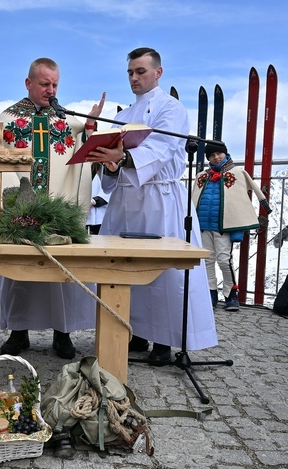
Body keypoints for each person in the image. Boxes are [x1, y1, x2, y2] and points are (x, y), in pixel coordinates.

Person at [85, 47, 217, 364]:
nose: (134, 77)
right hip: (126, 202)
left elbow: (160, 149)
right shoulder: (119, 116)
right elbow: (111, 162)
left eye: (140, 71)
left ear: (158, 72)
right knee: (127, 268)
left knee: (163, 273)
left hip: (161, 200)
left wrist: (124, 157)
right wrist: (110, 164)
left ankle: (165, 341)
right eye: (130, 72)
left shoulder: (171, 109)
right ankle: (136, 333)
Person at [0, 57, 105, 358]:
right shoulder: (9, 118)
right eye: (45, 84)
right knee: (18, 274)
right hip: (21, 214)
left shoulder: (66, 120)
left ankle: (63, 334)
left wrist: (92, 125)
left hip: (58, 214)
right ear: (28, 83)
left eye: (55, 84)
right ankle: (19, 333)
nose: (51, 90)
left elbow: (86, 143)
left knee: (63, 276)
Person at [192, 141, 271, 311]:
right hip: (204, 225)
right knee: (207, 260)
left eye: (218, 154)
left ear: (225, 154)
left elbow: (250, 191)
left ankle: (230, 293)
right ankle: (211, 293)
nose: (216, 157)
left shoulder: (236, 173)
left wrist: (264, 205)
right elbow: (194, 198)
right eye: (212, 156)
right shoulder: (201, 176)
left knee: (223, 259)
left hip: (224, 226)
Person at [86, 164, 110, 235]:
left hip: (101, 214)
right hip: (82, 211)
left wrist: (95, 201)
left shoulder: (106, 165)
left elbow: (110, 187)